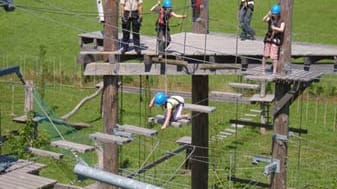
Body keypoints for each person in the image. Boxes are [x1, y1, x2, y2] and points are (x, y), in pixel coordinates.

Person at [262, 4, 285, 74]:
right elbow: (263, 20)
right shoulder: (270, 19)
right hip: (268, 38)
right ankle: (263, 70)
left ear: (278, 14)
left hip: (275, 39)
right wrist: (268, 14)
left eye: (275, 14)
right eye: (273, 14)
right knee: (265, 55)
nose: (274, 15)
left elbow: (282, 29)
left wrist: (274, 28)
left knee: (274, 56)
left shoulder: (281, 21)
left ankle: (274, 71)